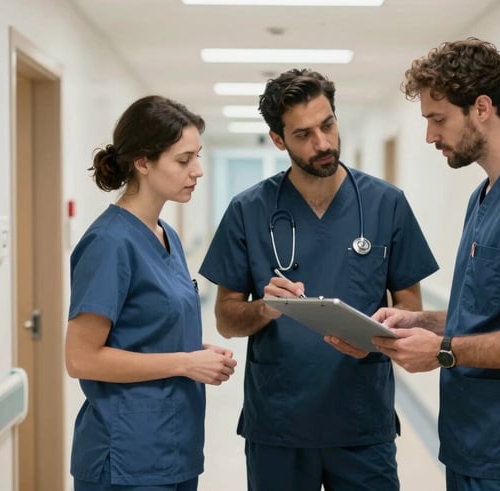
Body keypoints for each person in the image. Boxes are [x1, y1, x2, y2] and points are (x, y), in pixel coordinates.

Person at [329, 38, 500, 490]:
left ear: (482, 108)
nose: (430, 136)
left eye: (438, 119)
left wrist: (444, 351)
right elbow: (493, 313)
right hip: (476, 444)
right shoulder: (487, 193)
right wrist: (422, 321)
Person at [198, 68, 439, 491]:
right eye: (304, 134)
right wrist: (265, 308)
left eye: (327, 125)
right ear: (278, 140)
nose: (323, 143)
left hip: (363, 421)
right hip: (279, 425)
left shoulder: (386, 204)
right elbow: (225, 319)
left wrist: (384, 331)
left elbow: (410, 309)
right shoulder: (248, 210)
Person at [64, 95, 238, 491]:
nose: (197, 171)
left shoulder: (166, 236)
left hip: (173, 448)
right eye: (183, 160)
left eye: (198, 156)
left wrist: (197, 352)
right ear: (143, 162)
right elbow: (80, 357)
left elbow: (147, 331)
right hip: (126, 457)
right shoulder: (109, 243)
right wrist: (184, 363)